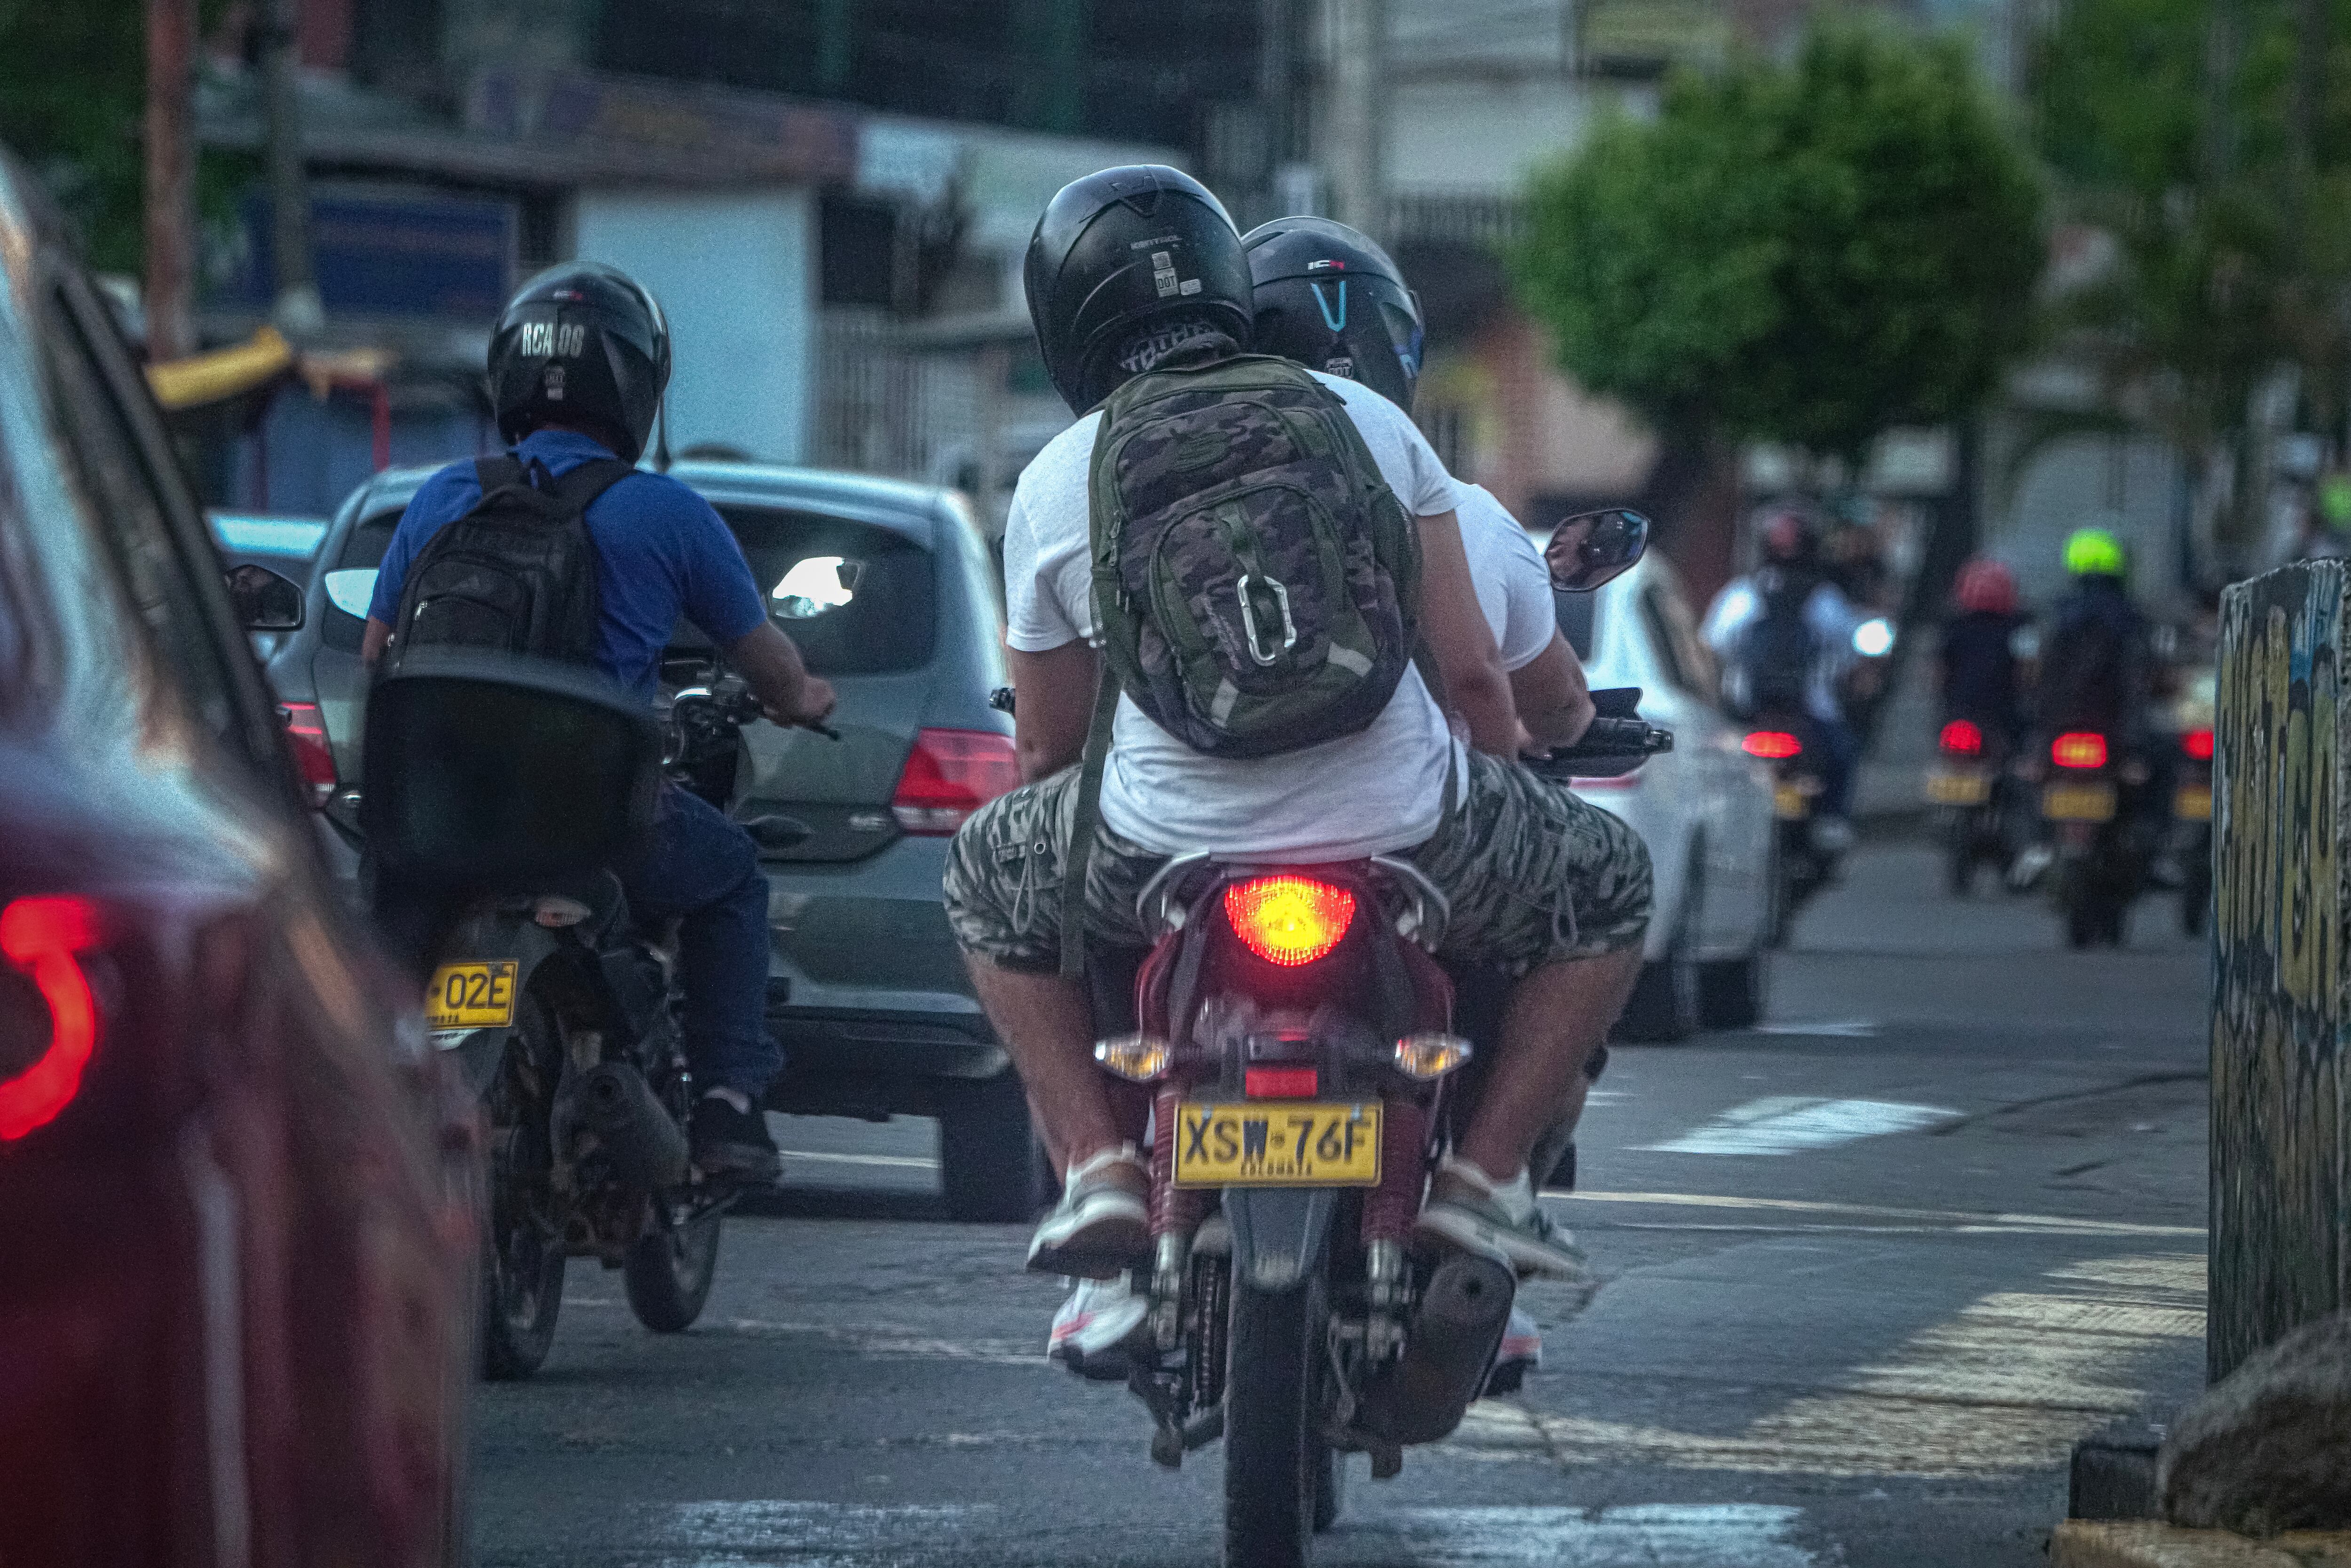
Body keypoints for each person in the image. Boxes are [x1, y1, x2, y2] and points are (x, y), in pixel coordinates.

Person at [943, 166, 1651, 1322]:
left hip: (1161, 842)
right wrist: (1491, 776)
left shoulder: (1057, 476)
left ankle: (1097, 1168)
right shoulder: (1371, 422)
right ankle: (1479, 1182)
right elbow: (1475, 675)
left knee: (982, 871)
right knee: (1613, 881)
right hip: (1406, 828)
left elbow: (1047, 749)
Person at [362, 261, 836, 1180]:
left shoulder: (440, 498)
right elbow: (772, 670)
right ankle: (729, 1103)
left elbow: (379, 655)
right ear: (637, 386)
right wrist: (805, 699)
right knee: (733, 873)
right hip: (589, 815)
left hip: (441, 818)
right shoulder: (667, 512)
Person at [1700, 507, 1869, 840]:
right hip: (1813, 713)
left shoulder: (1740, 596)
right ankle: (1831, 823)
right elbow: (1850, 656)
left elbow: (1711, 646)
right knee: (1843, 754)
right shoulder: (1827, 600)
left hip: (1747, 711)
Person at [1938, 558, 2031, 746]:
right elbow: (2027, 673)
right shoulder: (2019, 628)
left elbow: (1940, 674)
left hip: (1961, 713)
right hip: (2003, 718)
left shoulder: (1954, 628)